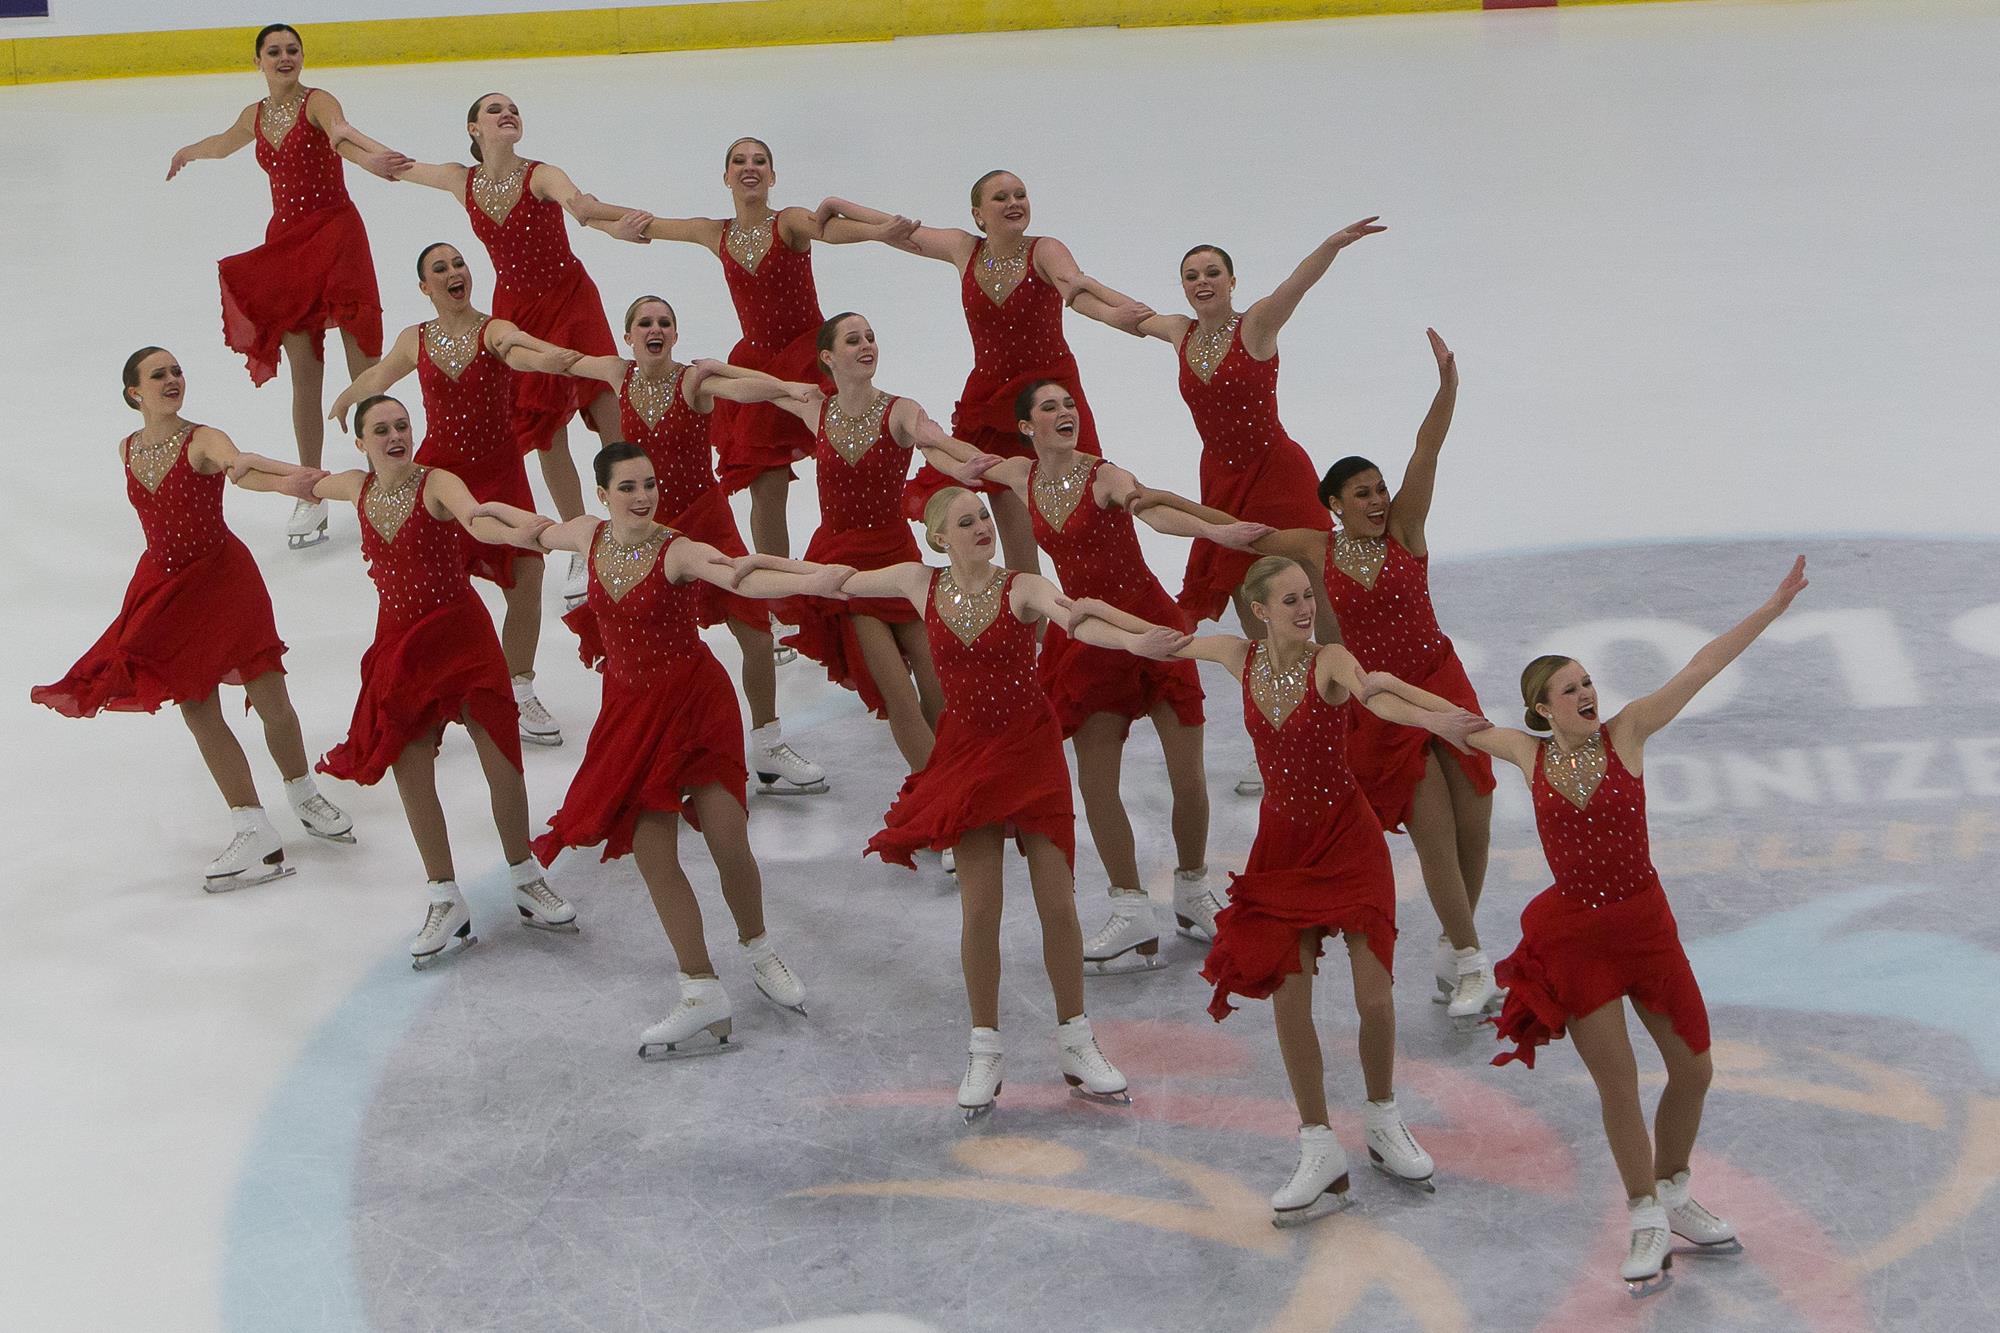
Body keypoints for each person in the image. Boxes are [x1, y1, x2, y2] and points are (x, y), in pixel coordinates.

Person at [1459, 557, 1808, 1291]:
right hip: (1578, 939)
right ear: (1542, 710)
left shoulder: (1628, 732)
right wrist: (1367, 685)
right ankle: (1645, 1212)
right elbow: (1443, 719)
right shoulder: (1526, 752)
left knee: (1694, 1067)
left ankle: (1675, 1189)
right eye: (1570, 688)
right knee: (1618, 1086)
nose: (1588, 692)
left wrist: (1771, 608)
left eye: (1587, 681)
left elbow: (1702, 664)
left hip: (1646, 929)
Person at [1139, 331, 1503, 1025]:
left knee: (1474, 822)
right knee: (1432, 828)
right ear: (1331, 503)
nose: (1377, 499)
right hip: (1378, 702)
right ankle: (1471, 956)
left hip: (1440, 679)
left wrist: (1447, 390)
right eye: (1361, 492)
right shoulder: (1314, 547)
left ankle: (1458, 950)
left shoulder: (1406, 531)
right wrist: (1164, 502)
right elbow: (1239, 531)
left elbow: (1426, 452)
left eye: (1379, 490)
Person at [473, 444, 854, 1054]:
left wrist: (822, 580)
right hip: (630, 711)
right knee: (653, 854)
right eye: (628, 487)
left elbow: (738, 572)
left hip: (696, 704)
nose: (643, 496)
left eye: (649, 484)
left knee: (728, 838)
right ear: (602, 495)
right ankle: (701, 991)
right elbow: (530, 529)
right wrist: (463, 507)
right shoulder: (587, 537)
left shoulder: (677, 550)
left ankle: (759, 950)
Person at [850, 487, 1189, 1120]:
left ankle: (1076, 1039)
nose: (982, 527)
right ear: (937, 537)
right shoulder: (916, 582)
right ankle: (985, 1050)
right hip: (969, 755)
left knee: (1056, 903)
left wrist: (1137, 640)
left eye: (985, 517)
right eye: (966, 522)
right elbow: (836, 579)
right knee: (981, 909)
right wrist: (735, 571)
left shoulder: (1022, 588)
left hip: (1031, 752)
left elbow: (1075, 616)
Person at [1173, 556, 1488, 1223]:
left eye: (1307, 596)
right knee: (1292, 999)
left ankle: (1382, 1118)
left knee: (1374, 998)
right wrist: (1076, 616)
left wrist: (1442, 717)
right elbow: (1170, 640)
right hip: (1283, 849)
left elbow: (1376, 690)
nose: (1305, 607)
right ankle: (1319, 1145)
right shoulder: (1240, 656)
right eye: (1289, 599)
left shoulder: (1330, 661)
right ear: (1258, 609)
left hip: (1349, 842)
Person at [917, 379, 1273, 965]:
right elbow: (950, 453)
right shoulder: (1018, 475)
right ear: (1027, 427)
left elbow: (1154, 509)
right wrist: (922, 432)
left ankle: (1192, 891)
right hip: (1086, 639)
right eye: (1049, 408)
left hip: (1148, 623)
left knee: (1187, 774)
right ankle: (1131, 908)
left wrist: (1214, 529)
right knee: (1096, 782)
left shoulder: (1103, 476)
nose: (1066, 413)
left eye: (1069, 404)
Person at [33, 347, 353, 887]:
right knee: (198, 708)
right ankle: (253, 827)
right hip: (166, 589)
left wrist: (291, 480)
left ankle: (304, 794)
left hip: (224, 581)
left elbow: (240, 467)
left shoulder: (201, 438)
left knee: (270, 695)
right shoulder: (127, 448)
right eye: (158, 374)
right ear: (134, 392)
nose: (172, 379)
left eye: (177, 370)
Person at [311, 395, 579, 967]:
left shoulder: (436, 482)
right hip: (401, 647)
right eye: (381, 429)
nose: (395, 436)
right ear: (361, 443)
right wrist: (235, 465)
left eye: (403, 425)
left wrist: (531, 531)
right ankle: (444, 896)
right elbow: (299, 483)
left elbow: (475, 514)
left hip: (460, 637)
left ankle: (525, 874)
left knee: (501, 757)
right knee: (411, 768)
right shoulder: (355, 488)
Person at [578, 137, 912, 560]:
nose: (749, 167)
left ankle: (865, 551)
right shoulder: (713, 232)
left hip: (807, 359)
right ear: (726, 177)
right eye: (739, 161)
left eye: (759, 161)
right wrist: (597, 216)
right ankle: (778, 590)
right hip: (754, 363)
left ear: (772, 176)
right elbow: (655, 224)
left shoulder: (787, 222)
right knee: (766, 487)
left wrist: (879, 233)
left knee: (849, 461)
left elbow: (828, 230)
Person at [555, 295, 828, 792]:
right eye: (644, 322)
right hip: (647, 529)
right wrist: (504, 342)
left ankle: (767, 743)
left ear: (675, 335)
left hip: (705, 521)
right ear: (628, 336)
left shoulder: (692, 382)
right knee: (658, 648)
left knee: (756, 632)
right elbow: (567, 359)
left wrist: (788, 387)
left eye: (664, 322)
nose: (654, 329)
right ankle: (658, 753)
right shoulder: (619, 375)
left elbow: (743, 389)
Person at [817, 173, 1150, 572]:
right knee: (1015, 532)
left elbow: (1075, 292)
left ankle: (1113, 613)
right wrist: (839, 202)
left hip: (1049, 395)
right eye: (1001, 197)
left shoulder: (1044, 249)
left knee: (1083, 514)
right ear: (978, 214)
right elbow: (899, 230)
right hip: (991, 401)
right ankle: (1035, 630)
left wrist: (1117, 314)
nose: (1014, 203)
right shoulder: (963, 248)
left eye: (1021, 195)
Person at [328, 242, 587, 747]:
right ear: (426, 288)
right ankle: (411, 690)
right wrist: (345, 399)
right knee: (428, 591)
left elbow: (523, 346)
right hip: (441, 476)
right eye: (440, 269)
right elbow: (378, 376)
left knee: (527, 574)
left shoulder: (494, 330)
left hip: (500, 472)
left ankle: (518, 686)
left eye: (459, 264)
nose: (454, 273)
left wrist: (561, 359)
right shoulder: (415, 339)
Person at [167, 22, 406, 550]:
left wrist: (371, 158)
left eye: (292, 50)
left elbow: (342, 133)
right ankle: (309, 487)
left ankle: (390, 484)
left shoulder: (317, 101)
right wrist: (188, 151)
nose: (284, 57)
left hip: (337, 236)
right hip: (288, 247)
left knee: (363, 362)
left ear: (302, 57)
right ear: (257, 61)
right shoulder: (253, 115)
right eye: (273, 51)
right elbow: (225, 143)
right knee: (305, 375)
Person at [1080, 223, 1382, 640]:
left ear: (1232, 281)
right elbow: (1133, 314)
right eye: (1192, 276)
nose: (1202, 281)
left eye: (1212, 273)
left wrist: (1330, 245)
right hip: (1222, 478)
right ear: (1184, 287)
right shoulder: (1178, 331)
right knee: (1248, 591)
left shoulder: (1255, 325)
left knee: (1313, 581)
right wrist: (1081, 287)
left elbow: (1295, 285)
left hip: (1277, 473)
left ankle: (1343, 684)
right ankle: (1275, 692)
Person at [380, 90, 624, 598]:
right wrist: (345, 139)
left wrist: (595, 212)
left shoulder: (540, 174)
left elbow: (574, 198)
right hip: (515, 308)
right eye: (494, 109)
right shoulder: (458, 179)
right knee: (545, 429)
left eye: (514, 107)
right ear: (474, 128)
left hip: (570, 300)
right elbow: (397, 167)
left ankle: (635, 529)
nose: (507, 113)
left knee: (606, 415)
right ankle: (583, 540)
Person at [764, 313, 944, 775]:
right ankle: (942, 804)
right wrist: (703, 373)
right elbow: (760, 386)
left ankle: (952, 787)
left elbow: (932, 438)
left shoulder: (899, 409)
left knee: (939, 684)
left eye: (870, 337)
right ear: (828, 357)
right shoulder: (816, 409)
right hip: (847, 573)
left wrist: (966, 462)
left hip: (899, 563)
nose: (867, 345)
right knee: (899, 696)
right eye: (853, 340)